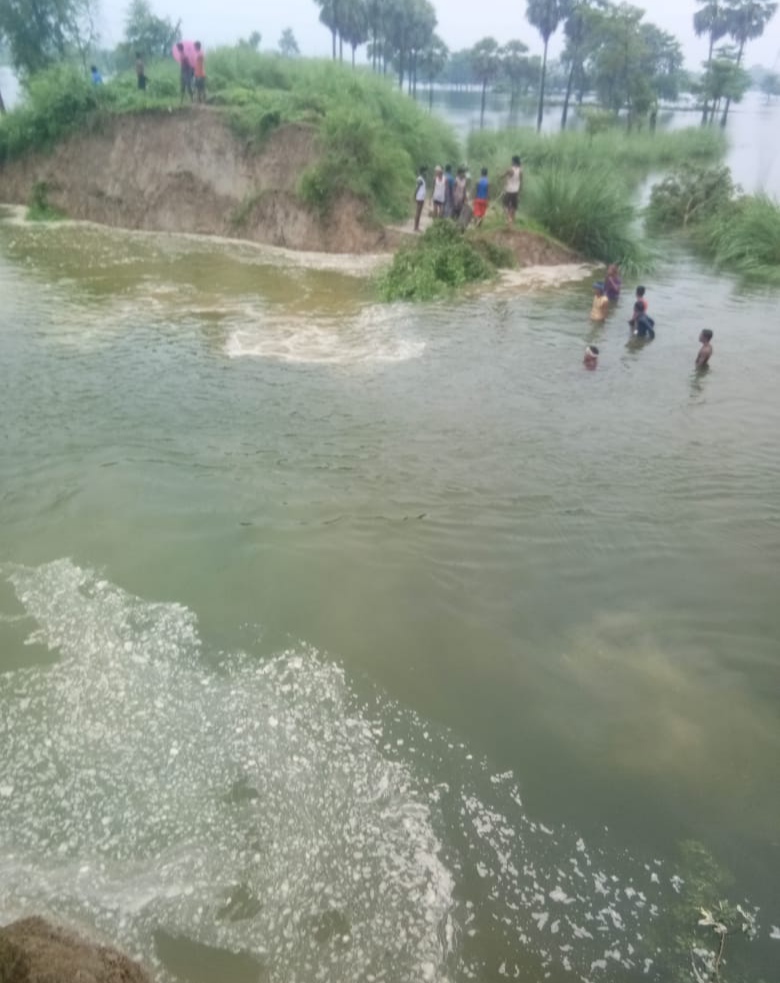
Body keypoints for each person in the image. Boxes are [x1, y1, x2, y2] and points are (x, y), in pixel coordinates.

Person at [503, 155, 523, 225]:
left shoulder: (510, 169)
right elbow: (521, 182)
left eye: (512, 161)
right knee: (514, 206)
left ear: (513, 161)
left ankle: (508, 218)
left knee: (506, 205)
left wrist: (499, 175)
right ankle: (512, 221)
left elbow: (502, 176)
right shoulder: (520, 170)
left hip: (509, 190)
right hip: (516, 191)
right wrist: (519, 192)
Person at [413, 166, 427, 232]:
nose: (426, 173)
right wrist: (414, 196)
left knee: (419, 212)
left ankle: (417, 227)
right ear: (422, 172)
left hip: (421, 197)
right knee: (418, 212)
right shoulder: (420, 179)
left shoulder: (422, 179)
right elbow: (417, 188)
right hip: (419, 197)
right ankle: (415, 227)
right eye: (425, 171)